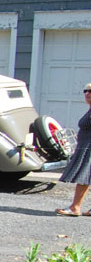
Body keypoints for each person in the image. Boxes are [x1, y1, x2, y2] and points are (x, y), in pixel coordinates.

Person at [54, 83, 91, 216]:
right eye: (85, 91)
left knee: (84, 177)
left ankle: (75, 207)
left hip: (88, 148)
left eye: (90, 91)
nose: (87, 93)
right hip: (85, 146)